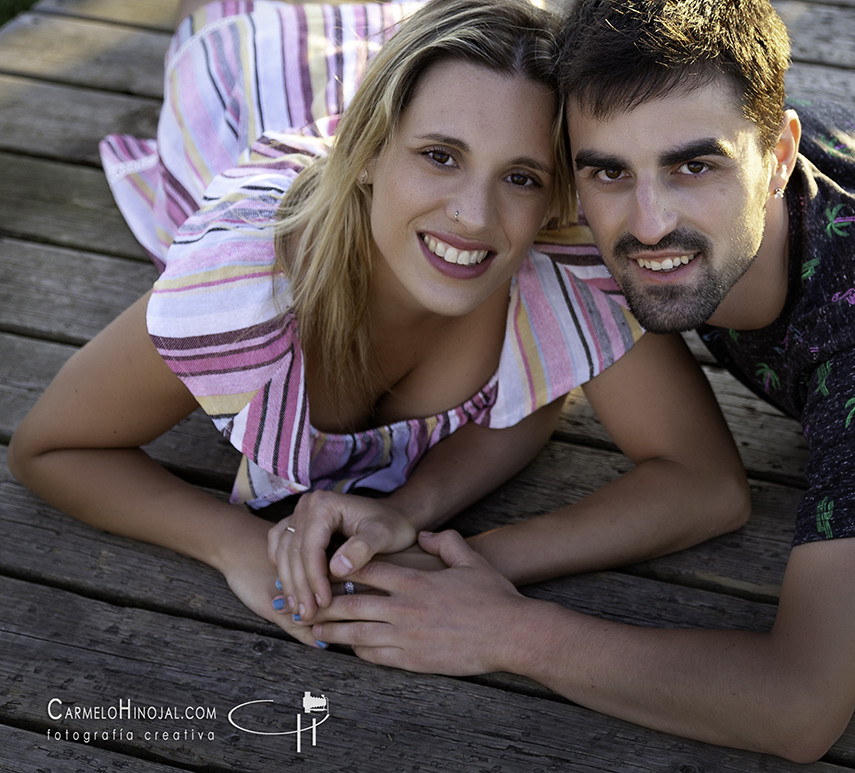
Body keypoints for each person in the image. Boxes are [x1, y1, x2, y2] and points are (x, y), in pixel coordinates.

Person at [302, 0, 855, 763]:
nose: (648, 223)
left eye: (693, 166)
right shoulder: (626, 195)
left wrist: (508, 629)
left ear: (778, 155)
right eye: (607, 170)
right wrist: (436, 536)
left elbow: (801, 705)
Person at [6, 0, 748, 650]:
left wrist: (452, 545)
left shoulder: (558, 262)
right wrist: (237, 543)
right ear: (365, 153)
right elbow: (51, 446)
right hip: (254, 58)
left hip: (394, 41)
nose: (474, 215)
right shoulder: (251, 285)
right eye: (439, 157)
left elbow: (705, 482)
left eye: (521, 177)